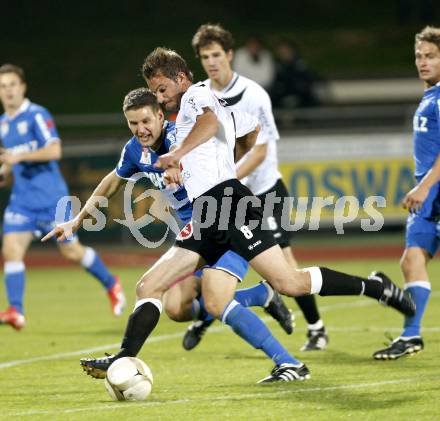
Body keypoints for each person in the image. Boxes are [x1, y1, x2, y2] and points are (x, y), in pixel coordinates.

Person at [50, 48, 414, 384]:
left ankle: (375, 287)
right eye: (153, 95)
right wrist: (78, 219)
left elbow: (209, 124)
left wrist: (181, 155)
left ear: (179, 78)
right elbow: (241, 129)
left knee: (289, 283)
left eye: (160, 91)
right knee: (152, 287)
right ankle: (123, 358)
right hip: (207, 215)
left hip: (229, 203)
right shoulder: (173, 120)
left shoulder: (194, 97)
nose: (159, 98)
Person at [44, 87, 307, 383]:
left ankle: (288, 362)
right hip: (195, 234)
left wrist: (200, 168)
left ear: (160, 116)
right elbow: (111, 182)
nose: (140, 129)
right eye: (133, 123)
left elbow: (231, 140)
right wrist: (78, 220)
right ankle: (261, 295)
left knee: (216, 301)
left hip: (226, 222)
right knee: (174, 308)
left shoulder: (182, 137)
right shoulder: (134, 150)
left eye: (145, 121)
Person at [186, 23, 328, 351]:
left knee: (286, 267)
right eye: (205, 56)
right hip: (225, 197)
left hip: (262, 192)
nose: (211, 61)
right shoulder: (201, 95)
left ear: (230, 54)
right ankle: (208, 314)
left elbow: (261, 149)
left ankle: (316, 327)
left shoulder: (253, 94)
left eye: (217, 54)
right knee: (205, 263)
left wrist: (225, 177)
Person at [0, 64, 126, 330]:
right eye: (3, 86)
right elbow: (11, 162)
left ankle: (111, 283)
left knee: (71, 251)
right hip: (22, 201)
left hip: (52, 200)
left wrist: (17, 157)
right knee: (11, 250)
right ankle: (16, 311)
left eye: (12, 84)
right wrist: (4, 171)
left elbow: (54, 150)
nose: (8, 90)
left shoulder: (36, 115)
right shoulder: (3, 125)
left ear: (22, 88)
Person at [373, 26, 440, 360]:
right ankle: (411, 336)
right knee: (412, 260)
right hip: (429, 200)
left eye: (430, 56)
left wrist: (424, 186)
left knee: (413, 259)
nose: (422, 62)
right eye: (419, 56)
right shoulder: (430, 96)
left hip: (432, 192)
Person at [269, 39, 320, 108]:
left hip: (299, 95)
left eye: (286, 50)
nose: (284, 53)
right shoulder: (276, 65)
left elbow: (307, 80)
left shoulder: (300, 64)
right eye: (282, 51)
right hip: (281, 95)